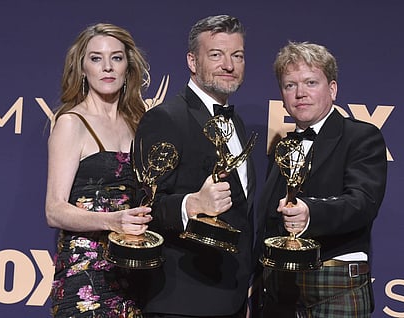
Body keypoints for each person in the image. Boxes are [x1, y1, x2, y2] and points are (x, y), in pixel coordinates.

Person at [133, 15, 257, 317]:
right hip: (182, 300)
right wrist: (192, 204)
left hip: (233, 297)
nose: (229, 65)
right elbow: (143, 204)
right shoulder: (166, 118)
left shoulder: (236, 123)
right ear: (192, 60)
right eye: (216, 54)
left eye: (237, 56)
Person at [258, 41, 387, 317]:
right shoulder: (282, 148)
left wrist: (311, 213)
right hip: (280, 288)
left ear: (332, 89)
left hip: (336, 283)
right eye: (290, 85)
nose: (300, 93)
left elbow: (362, 203)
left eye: (310, 82)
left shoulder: (361, 136)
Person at [45, 23, 152, 317]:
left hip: (134, 273)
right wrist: (112, 221)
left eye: (116, 58)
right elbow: (54, 210)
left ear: (128, 66)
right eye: (96, 58)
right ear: (82, 68)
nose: (107, 67)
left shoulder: (139, 124)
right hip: (87, 274)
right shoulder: (72, 123)